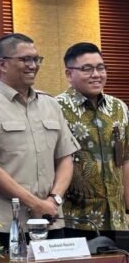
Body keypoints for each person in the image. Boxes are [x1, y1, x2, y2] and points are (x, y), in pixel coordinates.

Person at [0, 33, 79, 243]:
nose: (33, 65)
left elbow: (66, 158)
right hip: (8, 226)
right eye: (25, 59)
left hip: (51, 221)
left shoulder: (50, 104)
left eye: (36, 59)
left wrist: (53, 200)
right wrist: (35, 204)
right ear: (3, 64)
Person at [56, 42, 129, 237]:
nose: (96, 74)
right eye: (87, 69)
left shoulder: (119, 108)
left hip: (115, 218)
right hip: (74, 218)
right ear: (69, 74)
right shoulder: (55, 108)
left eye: (101, 67)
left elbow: (125, 159)